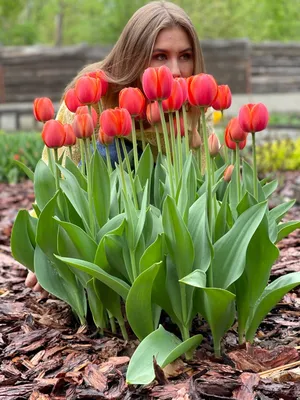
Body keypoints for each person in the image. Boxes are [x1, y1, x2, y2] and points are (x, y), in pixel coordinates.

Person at [25, 0, 214, 296]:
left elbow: (204, 189)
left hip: (167, 260)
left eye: (185, 56)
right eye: (160, 56)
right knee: (109, 154)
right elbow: (57, 183)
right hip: (106, 247)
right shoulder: (93, 101)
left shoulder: (194, 110)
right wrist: (42, 245)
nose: (176, 71)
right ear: (135, 55)